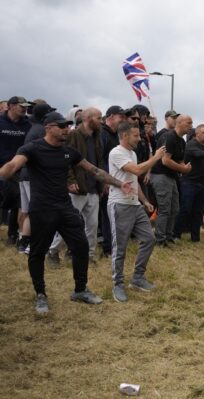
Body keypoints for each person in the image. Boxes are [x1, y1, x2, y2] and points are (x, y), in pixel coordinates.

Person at [0, 112, 131, 313]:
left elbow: (94, 171)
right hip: (42, 209)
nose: (66, 129)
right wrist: (6, 171)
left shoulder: (68, 152)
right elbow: (13, 165)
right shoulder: (32, 149)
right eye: (61, 126)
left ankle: (80, 290)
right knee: (37, 252)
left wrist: (119, 183)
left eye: (67, 125)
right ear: (48, 128)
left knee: (80, 246)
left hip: (64, 207)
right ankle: (41, 294)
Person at [108, 122, 167, 302]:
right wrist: (156, 157)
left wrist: (145, 201)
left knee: (149, 239)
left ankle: (137, 278)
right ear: (125, 136)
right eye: (136, 135)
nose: (139, 138)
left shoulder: (132, 153)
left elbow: (134, 180)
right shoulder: (116, 152)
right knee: (121, 247)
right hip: (120, 205)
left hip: (135, 205)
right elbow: (138, 170)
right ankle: (118, 284)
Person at [48, 107, 103, 264]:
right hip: (77, 187)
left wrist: (102, 182)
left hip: (93, 187)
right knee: (67, 223)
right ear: (88, 118)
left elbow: (99, 161)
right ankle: (52, 252)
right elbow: (65, 160)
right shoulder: (73, 135)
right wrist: (70, 181)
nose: (101, 121)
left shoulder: (97, 136)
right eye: (98, 118)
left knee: (92, 225)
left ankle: (88, 256)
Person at [17, 101, 56, 254]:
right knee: (39, 212)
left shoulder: (33, 128)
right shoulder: (41, 131)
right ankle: (34, 246)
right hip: (34, 176)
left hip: (24, 175)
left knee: (29, 211)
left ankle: (25, 243)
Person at [150, 114, 192, 246]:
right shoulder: (169, 136)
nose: (191, 126)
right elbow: (165, 160)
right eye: (189, 123)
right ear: (179, 123)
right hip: (161, 175)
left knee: (174, 208)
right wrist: (182, 169)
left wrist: (184, 166)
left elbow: (180, 160)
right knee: (165, 208)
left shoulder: (182, 141)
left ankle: (168, 236)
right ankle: (160, 239)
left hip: (172, 176)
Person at [174, 123, 204, 242]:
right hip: (189, 182)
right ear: (197, 134)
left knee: (199, 211)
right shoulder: (191, 145)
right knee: (185, 208)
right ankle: (176, 234)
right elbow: (199, 154)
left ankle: (195, 237)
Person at [0, 96, 32, 246]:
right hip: (2, 168)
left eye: (26, 106)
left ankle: (13, 235)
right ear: (11, 106)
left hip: (19, 167)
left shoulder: (27, 124)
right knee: (9, 200)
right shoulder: (1, 122)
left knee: (17, 199)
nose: (24, 108)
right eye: (21, 106)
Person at [99, 105, 126, 257]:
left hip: (116, 181)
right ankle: (108, 248)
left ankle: (112, 246)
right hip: (106, 182)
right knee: (107, 215)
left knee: (113, 215)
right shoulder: (102, 133)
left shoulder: (116, 135)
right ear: (110, 117)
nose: (123, 120)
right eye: (120, 117)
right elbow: (101, 158)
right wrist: (105, 181)